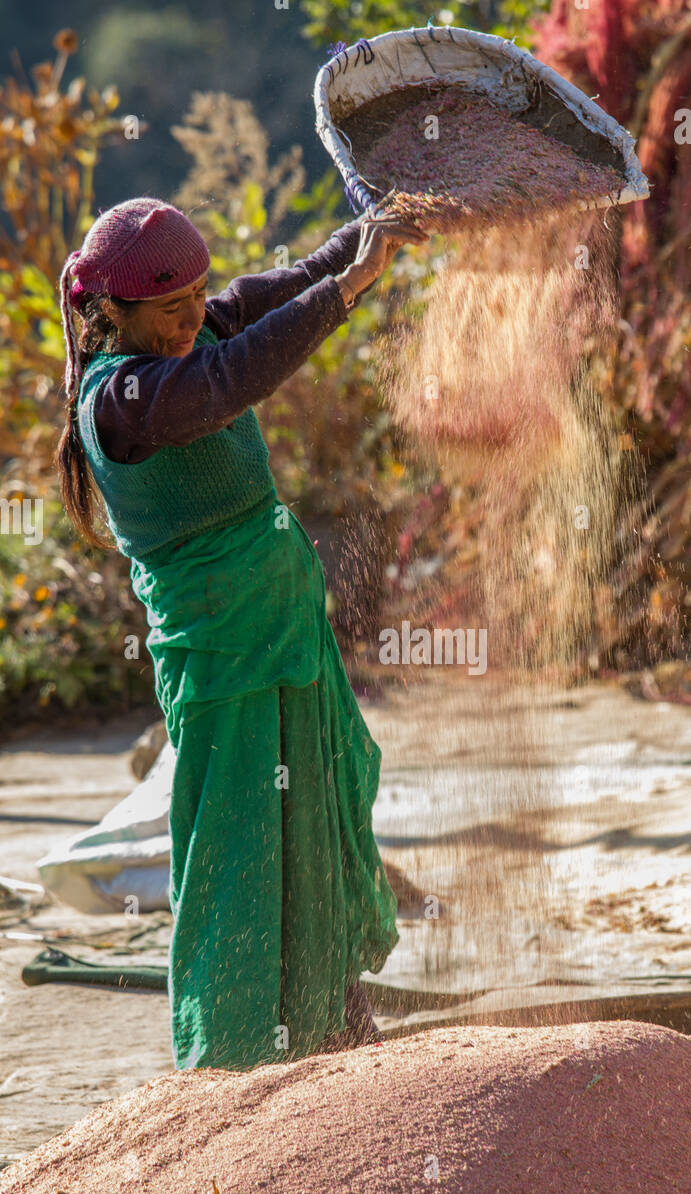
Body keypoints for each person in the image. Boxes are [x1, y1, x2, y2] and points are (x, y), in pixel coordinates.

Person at [55, 196, 429, 1068]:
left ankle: (329, 1021)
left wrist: (369, 231)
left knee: (311, 827)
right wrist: (349, 291)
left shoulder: (180, 335)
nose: (195, 319)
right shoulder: (127, 397)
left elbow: (279, 288)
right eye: (172, 310)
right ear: (115, 314)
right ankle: (226, 1061)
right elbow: (236, 378)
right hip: (224, 659)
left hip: (283, 636)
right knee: (237, 853)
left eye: (198, 300)